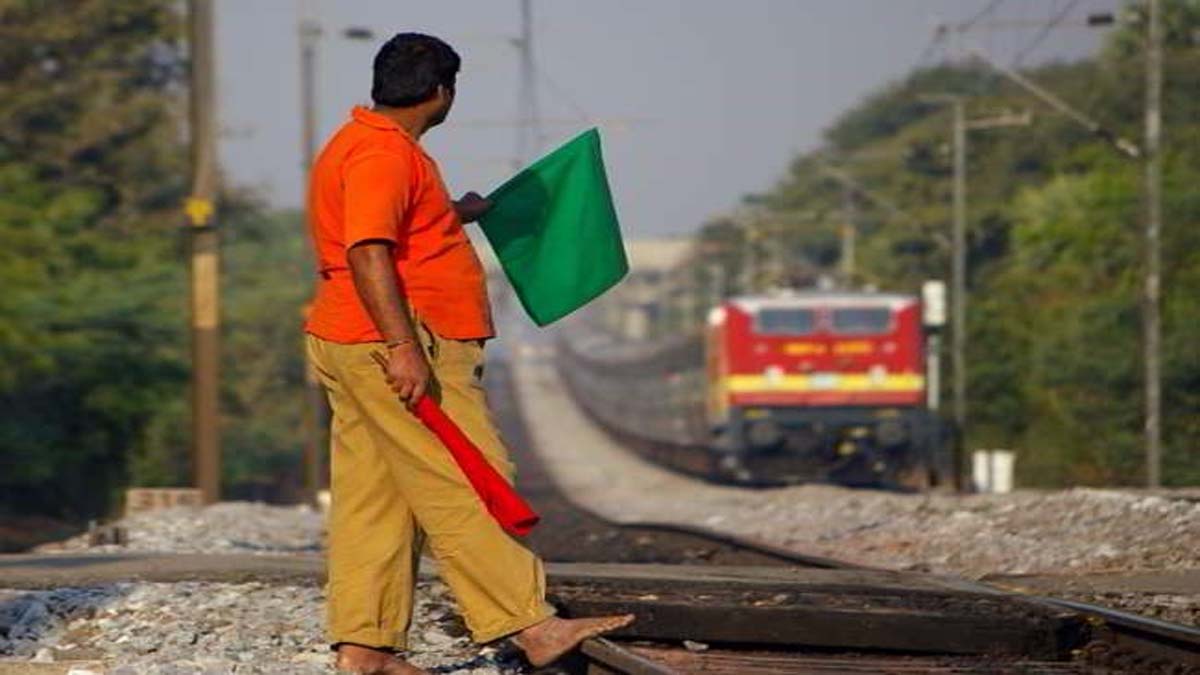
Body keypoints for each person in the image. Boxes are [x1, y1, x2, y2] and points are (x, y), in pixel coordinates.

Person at [303, 32, 633, 675]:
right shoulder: (383, 156)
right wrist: (403, 347)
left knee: (377, 495)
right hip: (394, 342)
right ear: (441, 92)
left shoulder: (365, 143)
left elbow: (391, 229)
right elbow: (368, 250)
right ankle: (528, 623)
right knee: (466, 478)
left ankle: (365, 648)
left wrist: (457, 214)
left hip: (354, 337)